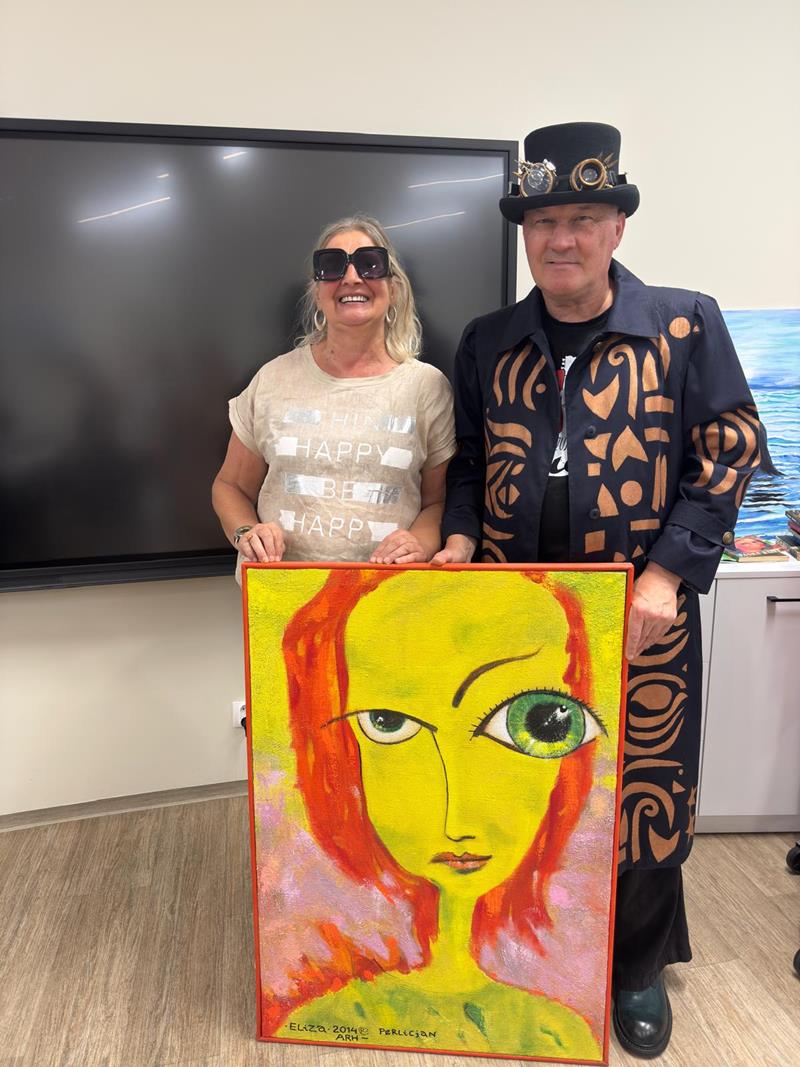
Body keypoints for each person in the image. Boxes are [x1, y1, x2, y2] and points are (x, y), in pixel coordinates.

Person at [432, 122, 765, 1058]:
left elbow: (730, 448)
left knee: (643, 790)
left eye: (583, 219)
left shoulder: (683, 322)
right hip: (514, 614)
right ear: (525, 235)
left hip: (640, 611)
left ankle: (636, 966)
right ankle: (531, 943)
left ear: (618, 227)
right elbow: (467, 461)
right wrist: (459, 537)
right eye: (544, 222)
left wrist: (668, 573)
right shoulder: (488, 340)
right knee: (524, 780)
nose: (562, 239)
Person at [257, 566, 628, 1060]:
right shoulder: (329, 1014)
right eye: (388, 722)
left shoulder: (557, 1032)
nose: (457, 821)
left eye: (535, 721)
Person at [211, 215, 455, 569]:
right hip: (281, 593)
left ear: (394, 288)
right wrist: (246, 532)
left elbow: (438, 503)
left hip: (384, 593)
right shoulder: (272, 380)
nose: (352, 277)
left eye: (370, 264)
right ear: (316, 292)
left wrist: (420, 542)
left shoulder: (427, 388)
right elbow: (230, 486)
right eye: (332, 265)